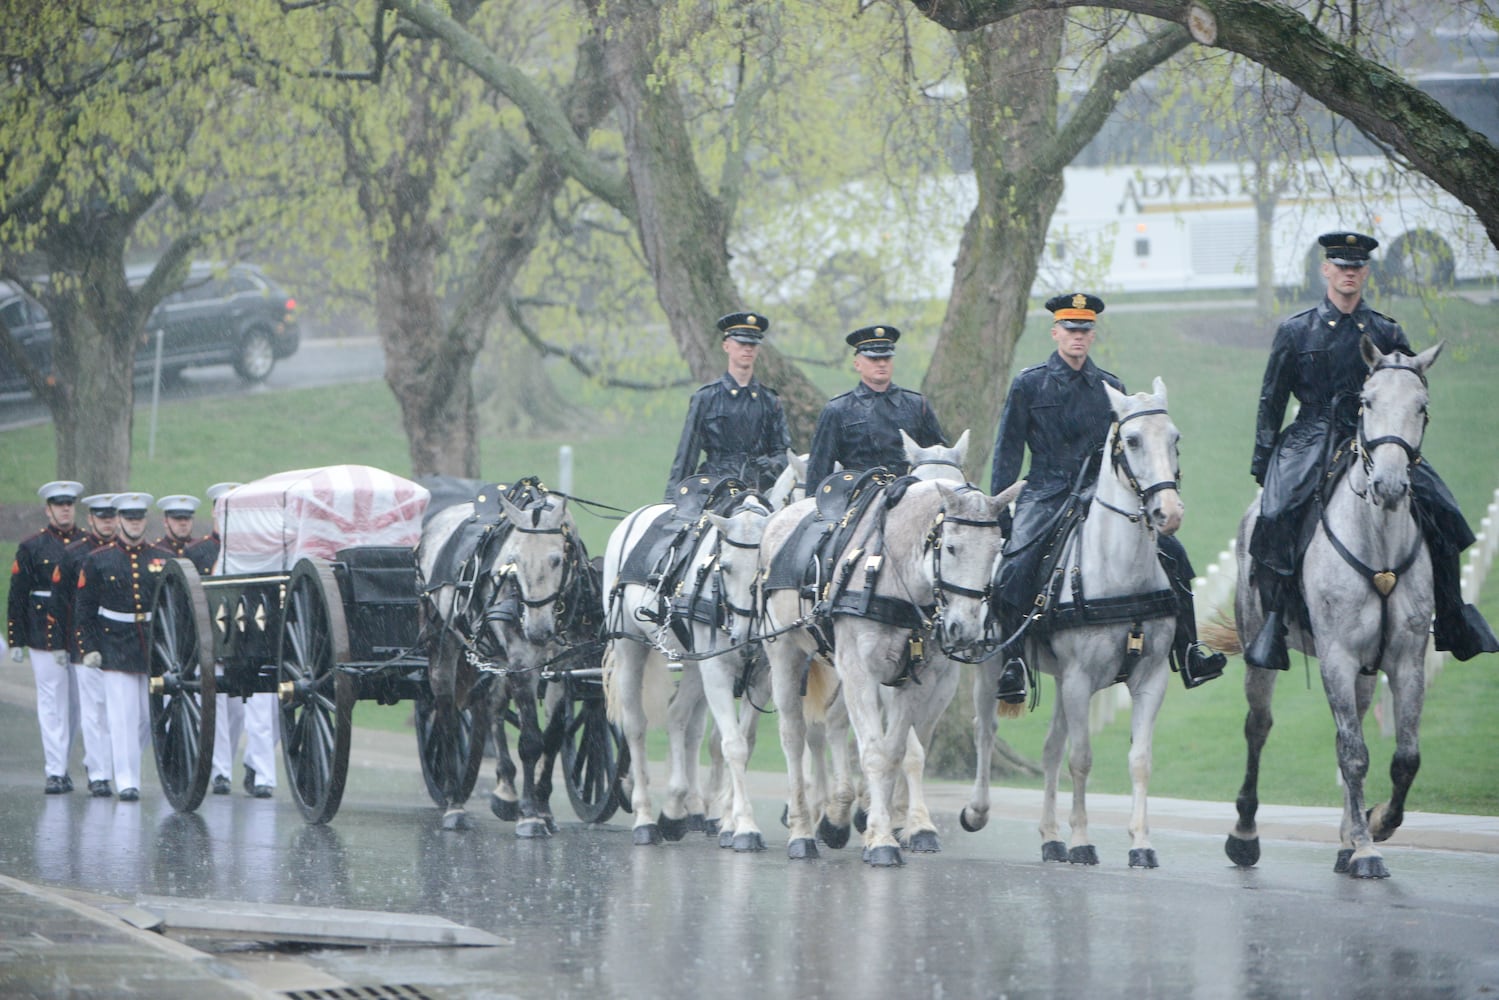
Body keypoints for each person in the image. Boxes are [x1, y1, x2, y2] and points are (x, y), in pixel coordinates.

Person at [1244, 231, 1498, 670]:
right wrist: (1265, 464)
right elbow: (1272, 400)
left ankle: (1455, 615)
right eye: (1341, 266)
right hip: (1312, 434)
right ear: (1326, 270)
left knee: (1444, 513)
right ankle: (1273, 623)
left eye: (1357, 267)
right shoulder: (1295, 330)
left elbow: (1412, 392)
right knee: (1274, 515)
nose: (1349, 273)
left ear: (1366, 273)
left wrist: (1403, 441)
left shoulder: (1386, 330)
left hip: (1379, 437)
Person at [989, 293, 1226, 705]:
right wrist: (1003, 512)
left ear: (1092, 334)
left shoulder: (1111, 388)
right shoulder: (1029, 384)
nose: (1077, 337)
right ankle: (1014, 663)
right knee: (1014, 566)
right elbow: (1008, 450)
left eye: (1084, 330)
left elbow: (1125, 454)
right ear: (1056, 332)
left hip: (1101, 496)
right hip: (1045, 491)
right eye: (1070, 329)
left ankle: (1188, 651)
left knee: (1174, 556)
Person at [74, 492, 169, 803]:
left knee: (145, 718)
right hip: (114, 643)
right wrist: (88, 647)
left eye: (139, 518)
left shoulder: (160, 557)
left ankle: (120, 760)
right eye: (129, 518)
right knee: (122, 716)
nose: (135, 523)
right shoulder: (99, 559)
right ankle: (127, 781)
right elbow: (84, 610)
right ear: (119, 521)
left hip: (150, 645)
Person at [189, 482, 275, 798]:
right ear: (214, 512)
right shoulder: (199, 553)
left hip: (253, 641)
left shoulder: (259, 549)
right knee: (219, 714)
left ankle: (263, 773)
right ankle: (220, 771)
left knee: (258, 714)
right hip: (215, 641)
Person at [8, 480, 85, 793]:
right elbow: (18, 595)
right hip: (43, 631)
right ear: (48, 509)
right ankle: (55, 769)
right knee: (52, 700)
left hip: (78, 630)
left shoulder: (86, 543)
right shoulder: (32, 547)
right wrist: (16, 637)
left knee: (77, 704)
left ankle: (62, 761)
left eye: (69, 504)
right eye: (59, 504)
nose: (65, 509)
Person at [665, 311, 792, 498]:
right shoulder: (706, 398)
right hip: (715, 487)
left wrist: (773, 463)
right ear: (726, 346)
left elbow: (783, 452)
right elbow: (686, 455)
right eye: (741, 343)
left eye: (753, 344)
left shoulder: (769, 400)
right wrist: (671, 498)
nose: (747, 349)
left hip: (761, 489)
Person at [806, 324, 947, 487]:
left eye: (886, 358)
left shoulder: (917, 405)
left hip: (911, 492)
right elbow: (819, 467)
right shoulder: (838, 410)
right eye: (873, 359)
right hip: (857, 496)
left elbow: (939, 456)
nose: (881, 364)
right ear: (857, 364)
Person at [49, 493, 119, 797]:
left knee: (123, 713)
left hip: (120, 645)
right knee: (93, 711)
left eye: (111, 517)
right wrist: (59, 644)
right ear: (90, 519)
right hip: (85, 643)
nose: (107, 523)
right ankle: (99, 774)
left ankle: (101, 762)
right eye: (101, 518)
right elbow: (62, 602)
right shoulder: (74, 554)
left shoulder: (124, 553)